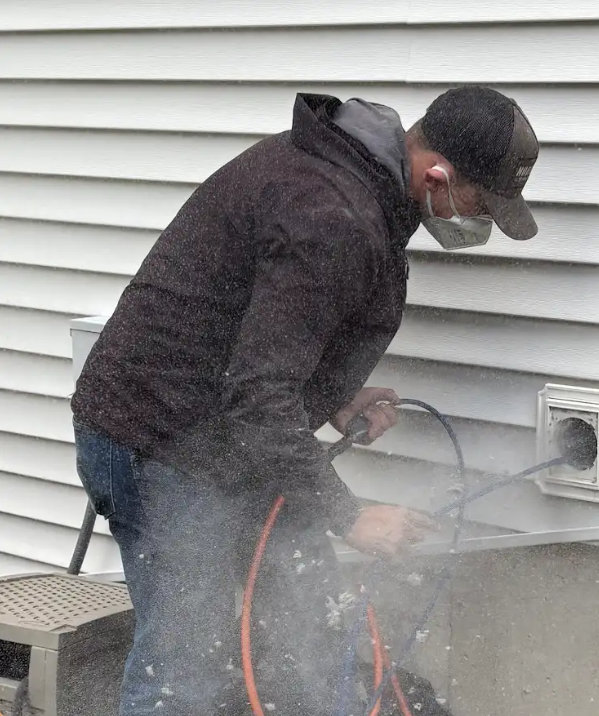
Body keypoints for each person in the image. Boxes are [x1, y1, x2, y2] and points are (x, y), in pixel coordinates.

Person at [70, 86, 541, 715]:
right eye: (480, 202)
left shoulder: (357, 179)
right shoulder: (331, 212)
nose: (477, 219)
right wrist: (350, 516)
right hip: (161, 444)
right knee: (185, 674)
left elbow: (264, 335)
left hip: (230, 440)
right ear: (438, 174)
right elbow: (258, 395)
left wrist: (335, 396)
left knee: (312, 623)